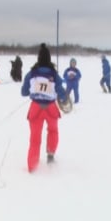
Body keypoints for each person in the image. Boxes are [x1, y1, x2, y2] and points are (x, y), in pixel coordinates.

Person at [21, 43, 67, 173]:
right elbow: (61, 93)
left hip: (35, 108)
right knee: (53, 131)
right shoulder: (54, 74)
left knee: (35, 138)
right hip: (51, 108)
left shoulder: (31, 73)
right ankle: (50, 156)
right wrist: (64, 98)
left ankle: (32, 166)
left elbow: (24, 92)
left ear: (38, 58)